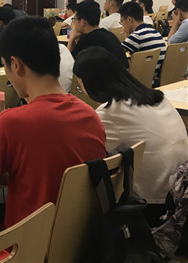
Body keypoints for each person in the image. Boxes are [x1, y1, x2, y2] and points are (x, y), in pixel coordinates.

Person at [0, 17, 105, 230]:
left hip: (28, 240)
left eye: (5, 66)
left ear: (16, 65)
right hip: (78, 235)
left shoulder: (10, 122)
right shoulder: (91, 115)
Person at [73, 46, 188, 226]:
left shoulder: (110, 111)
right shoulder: (154, 96)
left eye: (80, 85)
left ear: (92, 84)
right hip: (181, 187)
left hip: (156, 203)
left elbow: (87, 155)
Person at [67, 1, 129, 69]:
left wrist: (71, 38)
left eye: (74, 19)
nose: (74, 22)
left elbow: (68, 64)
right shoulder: (110, 34)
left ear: (83, 21)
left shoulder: (87, 39)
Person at [119, 1, 166, 85]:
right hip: (153, 79)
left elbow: (118, 53)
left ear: (129, 19)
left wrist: (126, 33)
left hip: (139, 83)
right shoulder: (155, 32)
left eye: (122, 22)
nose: (122, 25)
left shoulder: (137, 36)